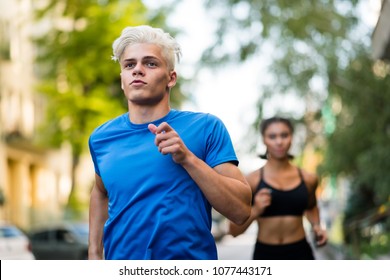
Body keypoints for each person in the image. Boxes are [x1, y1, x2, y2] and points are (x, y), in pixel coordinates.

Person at [88, 25, 252, 260]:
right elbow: (100, 192)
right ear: (122, 78)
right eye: (129, 65)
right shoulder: (101, 138)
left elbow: (241, 211)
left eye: (150, 63)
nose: (138, 70)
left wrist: (188, 159)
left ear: (171, 78)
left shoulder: (206, 128)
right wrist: (94, 253)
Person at [229, 117, 327, 260]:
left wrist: (317, 226)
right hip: (265, 254)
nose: (279, 141)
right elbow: (233, 231)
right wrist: (256, 209)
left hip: (300, 252)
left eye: (284, 135)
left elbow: (311, 207)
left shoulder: (308, 179)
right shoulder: (252, 181)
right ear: (264, 139)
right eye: (272, 136)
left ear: (291, 137)